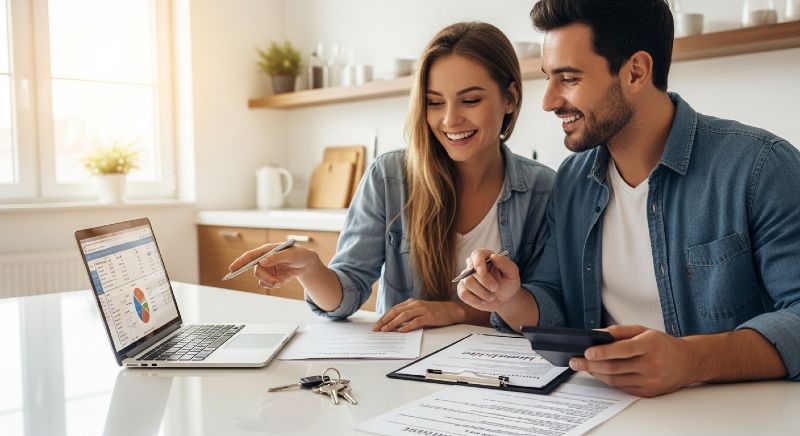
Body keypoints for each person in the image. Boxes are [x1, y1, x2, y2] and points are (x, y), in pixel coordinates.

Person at [457, 0, 800, 397]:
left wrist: (691, 360)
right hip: (601, 407)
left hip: (731, 414)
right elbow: (555, 304)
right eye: (549, 78)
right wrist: (508, 297)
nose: (548, 101)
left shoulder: (760, 167)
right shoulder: (572, 181)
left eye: (568, 78)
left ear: (636, 71)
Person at [229, 22, 555, 333]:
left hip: (501, 363)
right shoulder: (389, 177)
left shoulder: (544, 189)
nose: (450, 119)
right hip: (405, 361)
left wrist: (454, 311)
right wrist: (311, 268)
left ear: (510, 98)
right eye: (434, 103)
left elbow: (547, 311)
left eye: (470, 100)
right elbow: (347, 294)